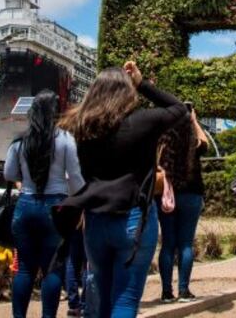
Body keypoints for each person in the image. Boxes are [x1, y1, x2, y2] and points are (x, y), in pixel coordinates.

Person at [61, 61, 189, 318]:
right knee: (126, 299)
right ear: (127, 92)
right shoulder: (142, 122)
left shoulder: (81, 127)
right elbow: (179, 109)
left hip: (95, 220)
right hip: (133, 217)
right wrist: (142, 84)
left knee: (102, 297)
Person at [5, 89, 85, 318]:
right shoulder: (65, 139)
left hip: (26, 204)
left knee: (25, 270)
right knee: (53, 268)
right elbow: (76, 177)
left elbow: (10, 173)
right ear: (54, 113)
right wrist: (78, 202)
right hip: (56, 207)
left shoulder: (20, 141)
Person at [157, 107, 209, 303]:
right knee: (186, 244)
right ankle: (184, 290)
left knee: (168, 244)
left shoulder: (163, 143)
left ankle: (166, 292)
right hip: (191, 195)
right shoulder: (193, 143)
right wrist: (194, 121)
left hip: (167, 196)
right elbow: (205, 144)